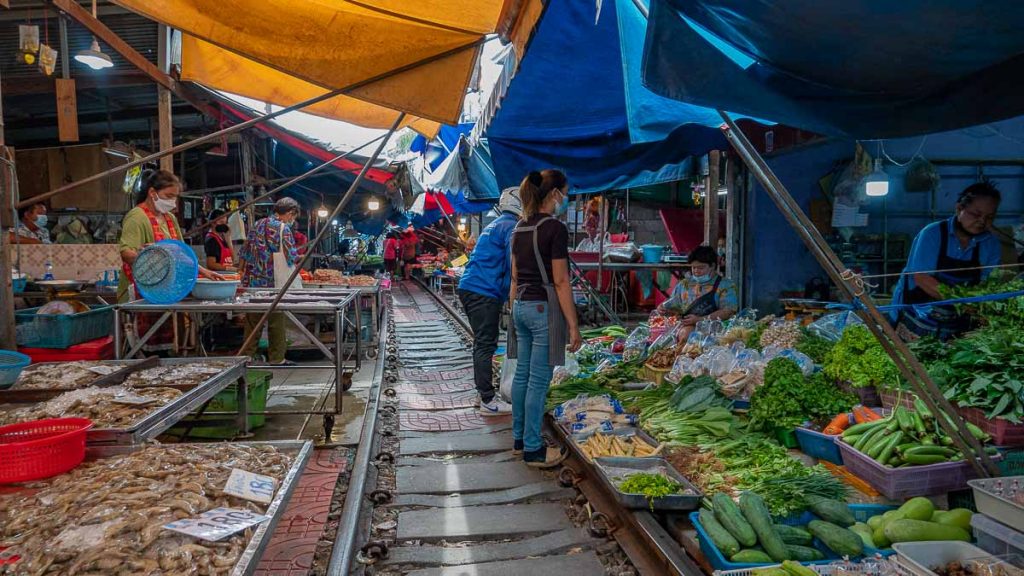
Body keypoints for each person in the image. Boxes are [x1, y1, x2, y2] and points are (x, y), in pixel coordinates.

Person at [509, 169, 581, 468]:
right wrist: (573, 326)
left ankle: (519, 440)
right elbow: (561, 281)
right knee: (538, 381)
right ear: (555, 195)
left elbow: (514, 277)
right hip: (542, 308)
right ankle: (534, 450)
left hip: (520, 306)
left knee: (522, 375)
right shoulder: (555, 229)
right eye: (566, 192)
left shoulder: (519, 227)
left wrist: (513, 311)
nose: (567, 198)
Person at [890, 181, 1003, 340]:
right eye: (976, 214)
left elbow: (988, 284)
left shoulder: (990, 244)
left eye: (990, 217)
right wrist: (961, 301)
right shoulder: (932, 234)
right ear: (959, 209)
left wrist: (982, 309)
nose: (982, 221)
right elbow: (921, 278)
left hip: (956, 322)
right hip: (918, 314)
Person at [457, 187, 522, 416]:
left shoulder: (496, 224)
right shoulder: (512, 228)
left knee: (482, 343)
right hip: (483, 290)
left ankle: (482, 393)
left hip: (471, 287)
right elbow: (514, 266)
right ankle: (487, 400)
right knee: (485, 344)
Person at [118, 169, 222, 303]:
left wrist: (202, 271)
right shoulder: (137, 217)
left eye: (175, 197)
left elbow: (180, 252)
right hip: (140, 292)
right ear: (152, 193)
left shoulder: (170, 218)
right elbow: (126, 253)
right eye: (168, 196)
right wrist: (151, 255)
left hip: (165, 289)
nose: (172, 201)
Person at [238, 197, 302, 365]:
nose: (292, 220)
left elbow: (244, 251)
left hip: (253, 281)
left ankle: (246, 357)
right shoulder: (283, 229)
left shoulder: (257, 224)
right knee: (276, 320)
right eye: (292, 217)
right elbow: (290, 257)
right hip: (274, 282)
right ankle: (277, 358)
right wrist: (299, 259)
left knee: (253, 321)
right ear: (289, 213)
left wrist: (242, 272)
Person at [656, 245, 738, 340]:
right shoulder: (684, 285)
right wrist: (662, 308)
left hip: (717, 332)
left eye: (701, 268)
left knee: (687, 333)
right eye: (693, 267)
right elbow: (673, 306)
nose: (696, 271)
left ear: (712, 266)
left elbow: (728, 311)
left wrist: (700, 320)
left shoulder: (726, 285)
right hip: (685, 328)